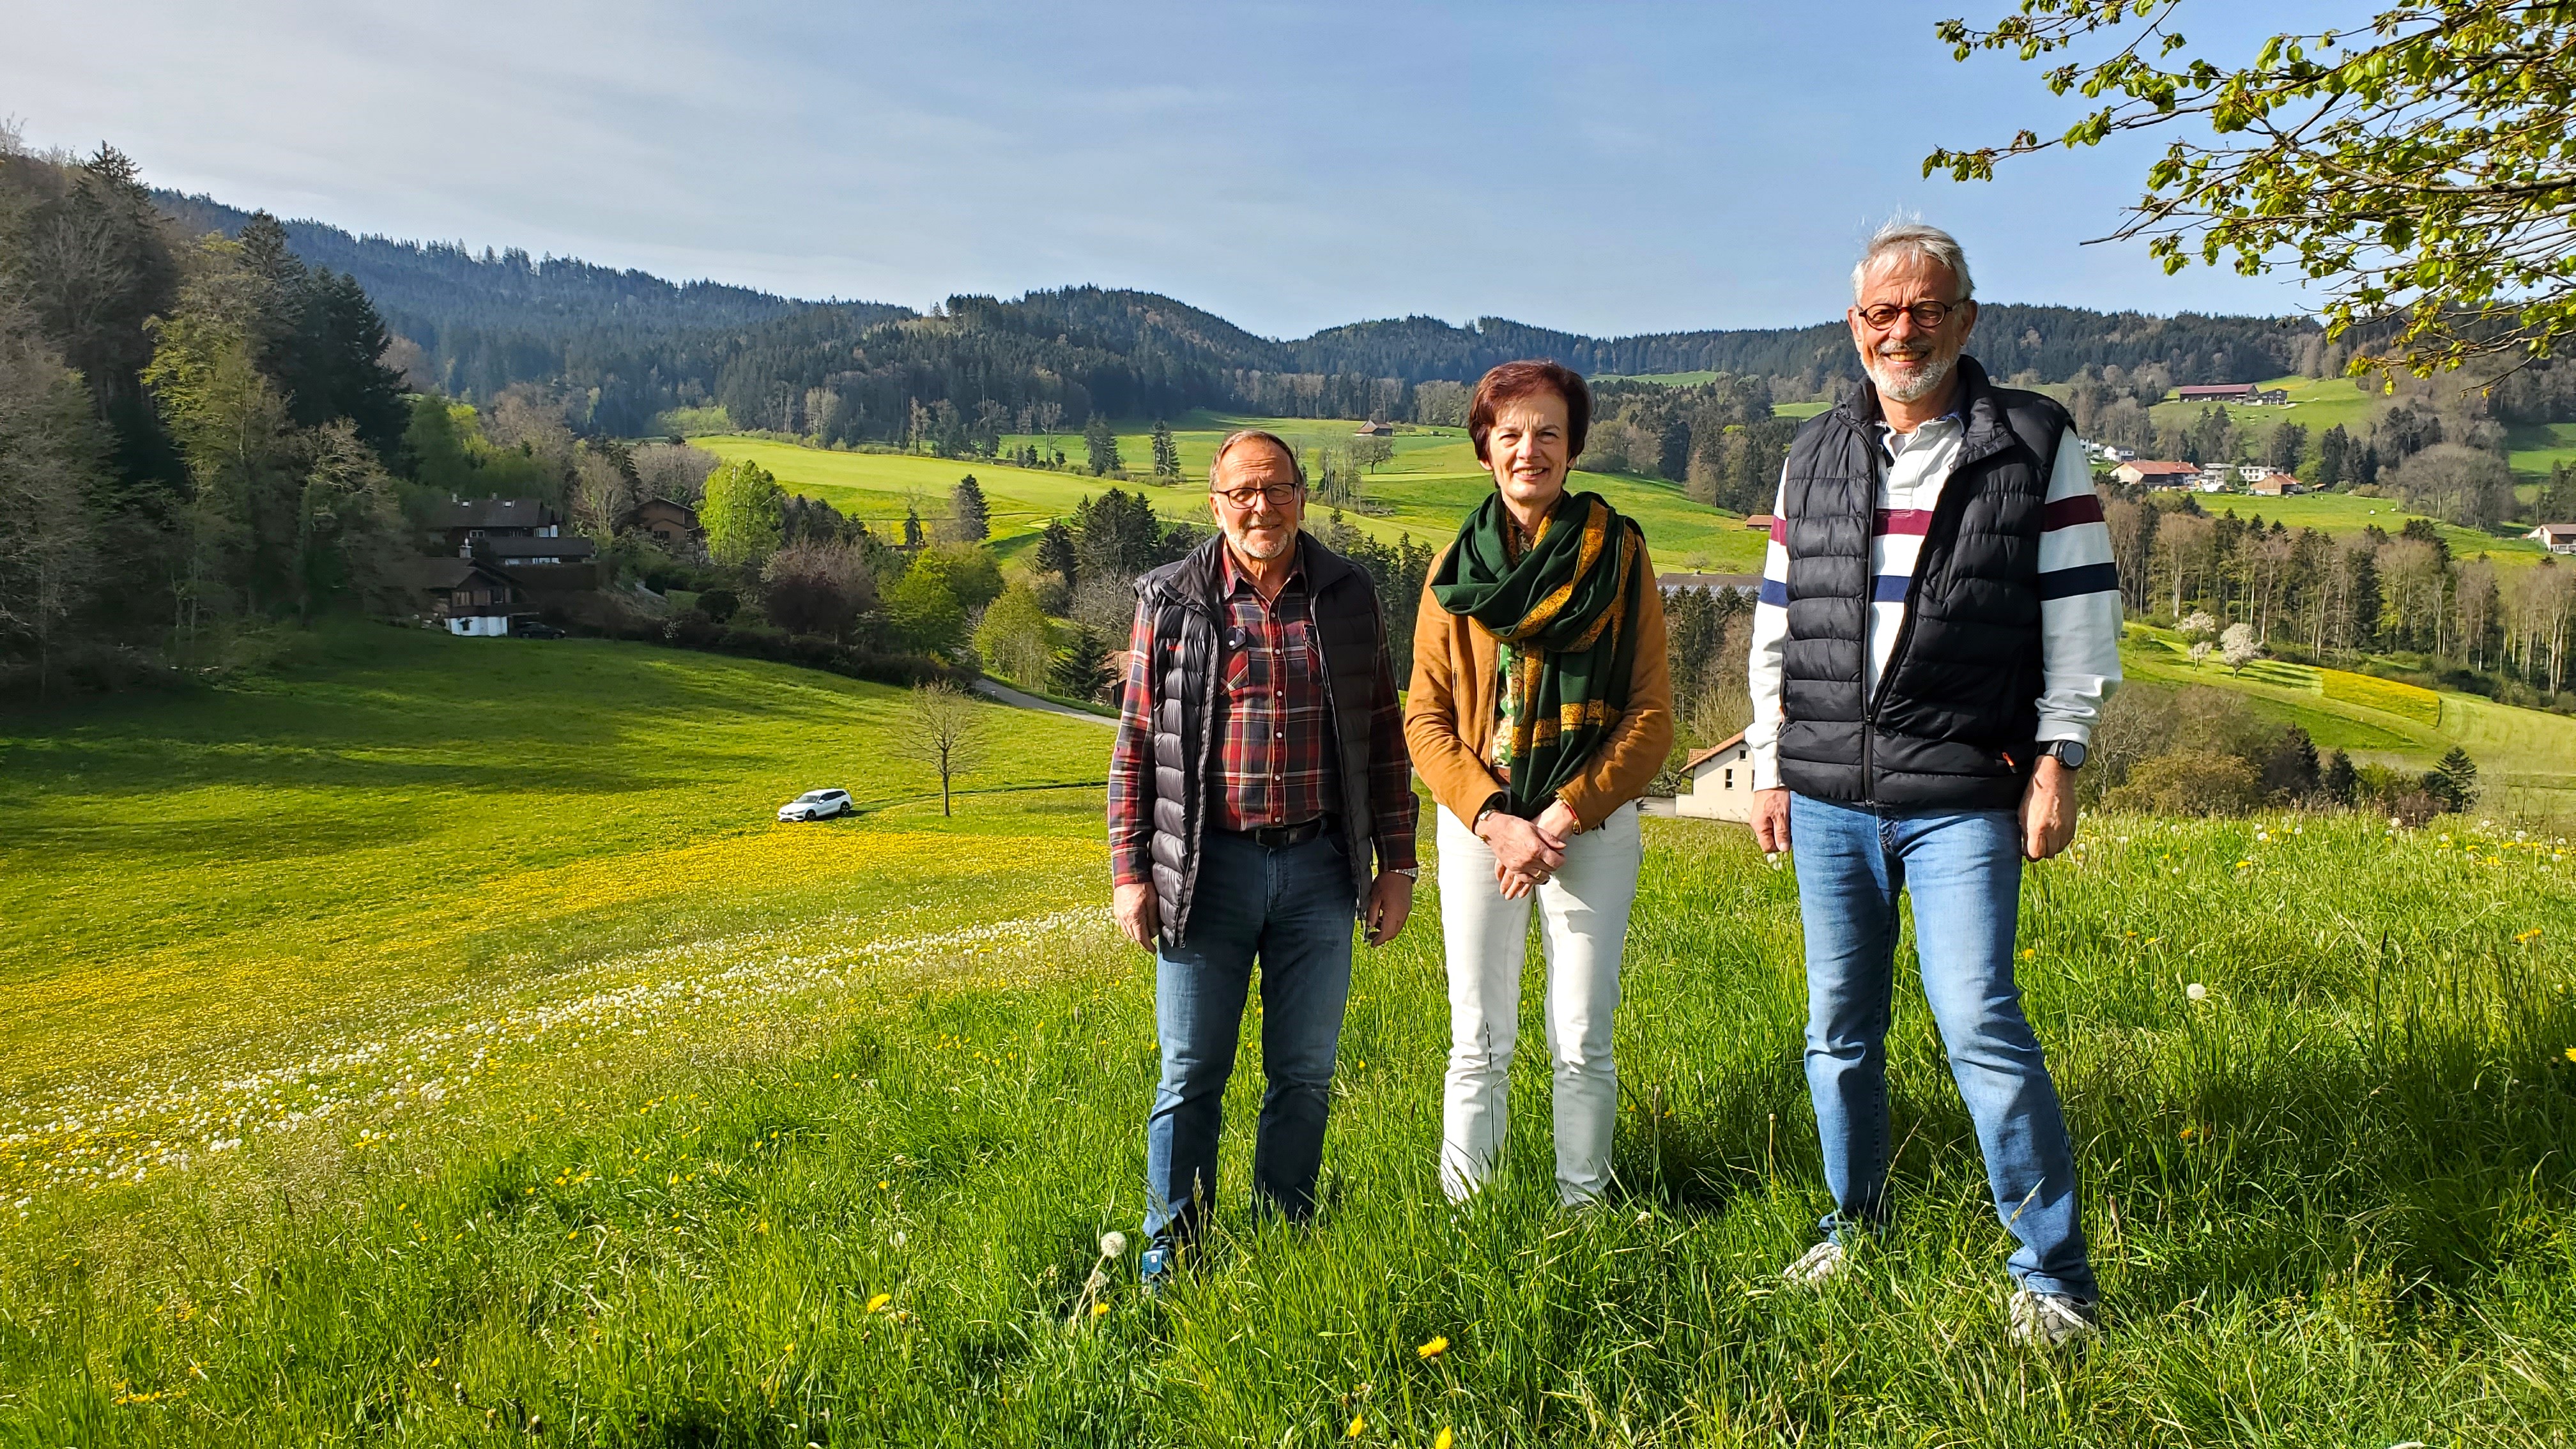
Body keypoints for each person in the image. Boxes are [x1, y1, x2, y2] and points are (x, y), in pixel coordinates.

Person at [1745, 222, 2124, 1347]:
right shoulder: (1810, 451)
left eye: (1922, 309)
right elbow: (1779, 622)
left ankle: (2052, 1276)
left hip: (1964, 790)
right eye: (1879, 313)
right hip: (1825, 797)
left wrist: (2062, 757)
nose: (1900, 330)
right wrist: (1770, 761)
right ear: (1853, 327)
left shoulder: (2032, 443)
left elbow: (2081, 614)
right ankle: (1851, 1225)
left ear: (1965, 318)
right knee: (1837, 1029)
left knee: (1980, 1024)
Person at [1107, 429, 1420, 1289]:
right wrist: (1130, 871)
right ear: (1216, 504)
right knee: (1190, 1075)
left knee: (1305, 1075)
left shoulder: (1349, 595)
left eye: (1275, 488)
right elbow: (1136, 741)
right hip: (1207, 871)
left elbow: (1382, 736)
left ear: (1301, 495)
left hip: (1320, 871)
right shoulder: (1169, 599)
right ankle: (1173, 1263)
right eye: (1241, 492)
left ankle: (1285, 1237)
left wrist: (1398, 862)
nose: (1260, 506)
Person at [1405, 360, 1673, 1208]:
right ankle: (1469, 1214)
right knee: (1478, 1038)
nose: (1531, 450)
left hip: (1588, 830)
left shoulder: (1621, 557)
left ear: (1575, 447)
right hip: (1482, 831)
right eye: (1511, 433)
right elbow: (1426, 719)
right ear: (1485, 448)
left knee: (1583, 1038)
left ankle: (1581, 1210)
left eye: (1549, 432)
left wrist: (1559, 817)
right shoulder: (1455, 569)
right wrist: (1496, 821)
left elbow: (1651, 715)